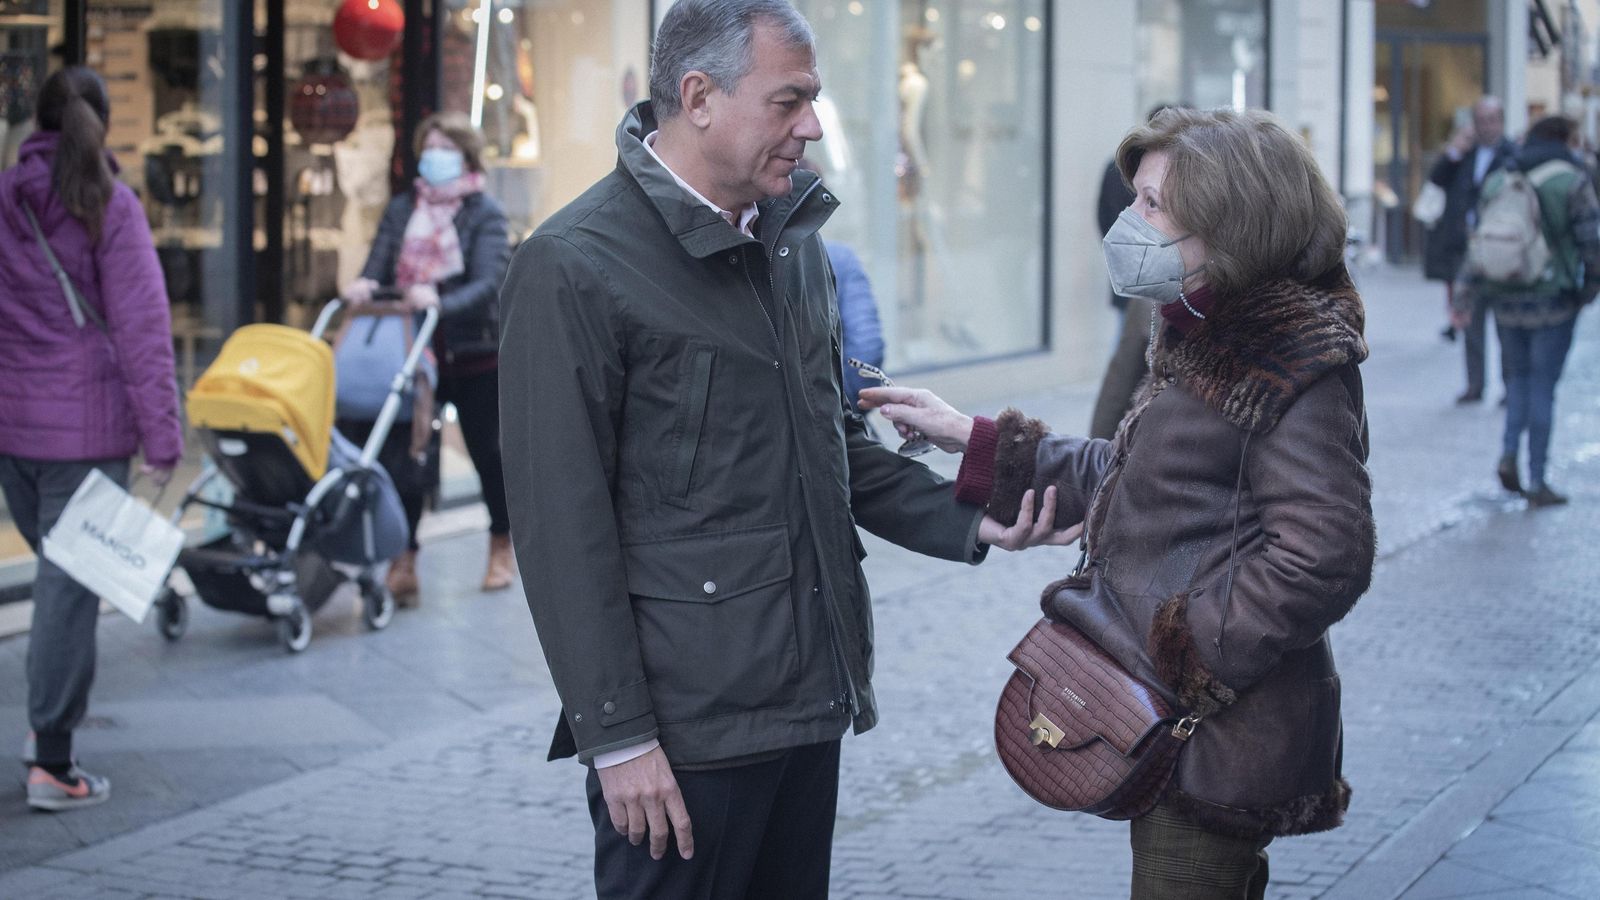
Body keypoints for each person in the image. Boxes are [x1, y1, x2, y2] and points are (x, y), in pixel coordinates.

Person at [498, 2, 1061, 895]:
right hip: (684, 736)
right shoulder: (572, 265)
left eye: (815, 100)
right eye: (788, 101)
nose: (812, 127)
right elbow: (560, 530)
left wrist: (974, 510)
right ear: (699, 97)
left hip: (807, 699)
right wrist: (619, 737)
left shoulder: (793, 243)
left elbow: (832, 448)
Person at [862, 108, 1376, 899]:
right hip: (1179, 723)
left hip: (1213, 739)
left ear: (1228, 222)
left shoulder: (1288, 359)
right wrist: (975, 438)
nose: (1128, 220)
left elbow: (1325, 553)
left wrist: (1186, 653)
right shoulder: (1202, 329)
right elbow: (1138, 474)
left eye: (1150, 203)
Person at [0, 66, 183, 811]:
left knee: (56, 582)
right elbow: (143, 331)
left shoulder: (7, 200)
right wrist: (162, 438)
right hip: (84, 432)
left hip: (13, 432)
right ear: (100, 123)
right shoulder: (110, 205)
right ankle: (53, 763)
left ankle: (45, 734)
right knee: (65, 596)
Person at [340, 112, 512, 605]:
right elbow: (379, 264)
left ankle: (501, 544)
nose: (433, 155)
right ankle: (404, 558)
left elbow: (487, 284)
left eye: (444, 147)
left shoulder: (485, 214)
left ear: (465, 156)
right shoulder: (402, 210)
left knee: (488, 455)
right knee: (408, 456)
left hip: (474, 352)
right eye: (427, 146)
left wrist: (440, 301)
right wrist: (365, 285)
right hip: (415, 353)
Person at [1453, 115, 1600, 508]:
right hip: (1554, 300)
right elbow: (1591, 242)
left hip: (1506, 297)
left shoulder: (1502, 177)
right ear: (1565, 139)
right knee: (1542, 387)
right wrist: (1588, 290)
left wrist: (1464, 295)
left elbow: (1479, 241)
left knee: (1516, 380)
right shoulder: (1573, 180)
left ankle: (1508, 455)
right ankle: (1537, 479)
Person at [1423, 97, 1515, 403]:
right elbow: (1436, 179)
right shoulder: (1464, 155)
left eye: (1491, 120)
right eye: (1481, 120)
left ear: (1500, 122)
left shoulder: (1512, 155)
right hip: (1466, 251)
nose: (1486, 126)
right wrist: (1454, 150)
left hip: (1499, 249)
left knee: (1504, 324)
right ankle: (1475, 385)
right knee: (1471, 321)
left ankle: (1509, 386)